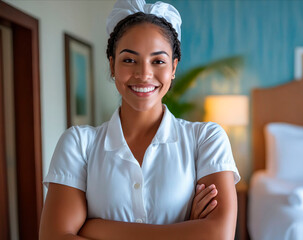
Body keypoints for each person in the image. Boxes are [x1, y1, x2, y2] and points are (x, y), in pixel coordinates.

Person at [39, 1, 240, 239]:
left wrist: (94, 227)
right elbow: (54, 236)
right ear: (112, 65)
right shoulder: (78, 144)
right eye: (129, 60)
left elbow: (218, 234)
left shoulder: (206, 139)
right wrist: (187, 230)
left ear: (173, 67)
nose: (144, 74)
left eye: (158, 61)